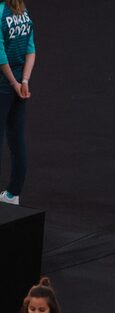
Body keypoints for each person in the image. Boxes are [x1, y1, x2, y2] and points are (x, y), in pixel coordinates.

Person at [0, 0, 35, 205]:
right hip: (20, 81)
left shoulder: (1, 12)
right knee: (16, 137)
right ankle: (13, 194)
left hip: (4, 83)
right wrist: (24, 81)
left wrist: (13, 83)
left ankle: (12, 195)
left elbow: (0, 55)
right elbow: (31, 50)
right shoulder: (23, 11)